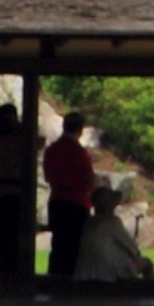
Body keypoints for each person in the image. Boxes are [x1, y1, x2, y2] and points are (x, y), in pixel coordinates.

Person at [0, 103, 37, 296]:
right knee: (9, 244)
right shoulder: (16, 144)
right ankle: (6, 282)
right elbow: (38, 142)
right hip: (11, 199)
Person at [42, 110, 100, 284]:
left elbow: (47, 176)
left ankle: (54, 281)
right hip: (76, 203)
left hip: (57, 201)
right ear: (80, 130)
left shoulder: (52, 150)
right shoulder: (79, 152)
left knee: (58, 245)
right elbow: (88, 177)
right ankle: (71, 284)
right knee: (74, 248)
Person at [73, 176, 154, 283]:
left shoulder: (88, 222)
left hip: (84, 273)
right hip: (107, 273)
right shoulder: (112, 221)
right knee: (147, 264)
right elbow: (132, 249)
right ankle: (146, 295)